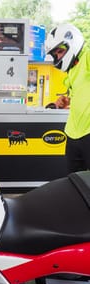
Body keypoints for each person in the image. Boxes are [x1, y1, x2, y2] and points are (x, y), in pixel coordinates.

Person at [45, 23, 90, 174]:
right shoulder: (72, 69)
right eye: (55, 54)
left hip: (88, 132)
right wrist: (67, 100)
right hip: (73, 133)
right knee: (76, 183)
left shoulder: (87, 57)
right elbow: (81, 93)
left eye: (59, 51)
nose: (57, 57)